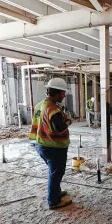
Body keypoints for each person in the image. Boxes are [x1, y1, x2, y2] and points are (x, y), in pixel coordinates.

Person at [29, 78, 72, 210]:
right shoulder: (52, 109)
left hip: (41, 144)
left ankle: (56, 192)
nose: (64, 95)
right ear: (56, 92)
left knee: (54, 172)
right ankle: (53, 201)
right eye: (63, 93)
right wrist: (68, 120)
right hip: (53, 147)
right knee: (56, 173)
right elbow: (59, 128)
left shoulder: (40, 105)